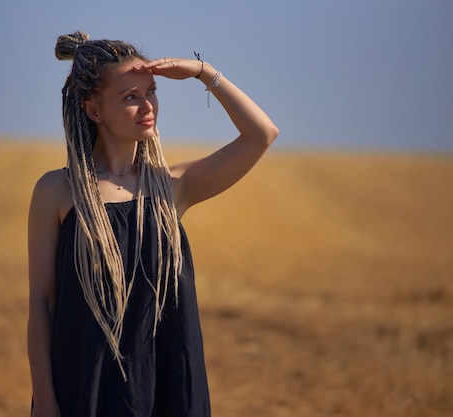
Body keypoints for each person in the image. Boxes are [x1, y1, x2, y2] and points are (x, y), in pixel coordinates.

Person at [27, 30, 278, 417]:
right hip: (83, 384)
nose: (148, 106)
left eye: (152, 92)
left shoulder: (172, 187)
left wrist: (202, 72)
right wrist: (45, 398)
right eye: (131, 97)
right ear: (94, 110)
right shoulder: (57, 191)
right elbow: (42, 303)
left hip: (166, 385)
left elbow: (261, 134)